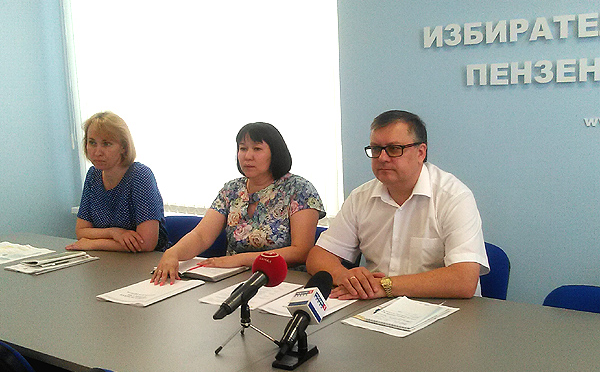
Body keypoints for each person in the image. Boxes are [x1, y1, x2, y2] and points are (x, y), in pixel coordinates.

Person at [306, 110, 489, 300]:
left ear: (420, 152)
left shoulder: (454, 197)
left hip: (444, 309)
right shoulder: (360, 197)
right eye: (376, 149)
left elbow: (464, 280)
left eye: (394, 149)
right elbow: (318, 256)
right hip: (375, 308)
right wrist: (344, 276)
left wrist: (383, 286)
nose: (382, 157)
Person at [151, 122, 325, 285]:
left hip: (283, 281)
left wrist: (238, 259)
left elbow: (301, 251)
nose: (248, 156)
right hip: (233, 279)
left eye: (257, 149)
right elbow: (201, 236)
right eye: (243, 148)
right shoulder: (232, 189)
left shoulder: (299, 189)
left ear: (275, 153)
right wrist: (173, 253)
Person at [66, 112, 168, 253]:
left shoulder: (140, 175)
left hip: (146, 261)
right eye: (92, 143)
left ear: (123, 147)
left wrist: (94, 244)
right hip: (107, 259)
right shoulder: (93, 175)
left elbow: (146, 243)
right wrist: (114, 232)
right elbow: (81, 231)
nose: (97, 152)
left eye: (107, 144)